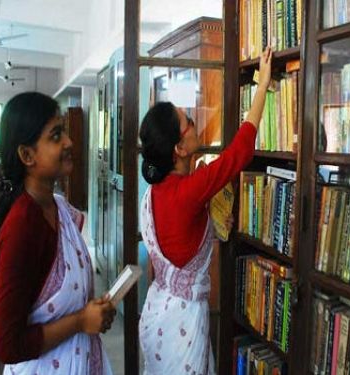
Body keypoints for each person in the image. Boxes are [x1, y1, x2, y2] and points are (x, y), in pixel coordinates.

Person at [139, 47, 272, 374]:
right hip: (182, 321)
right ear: (179, 149)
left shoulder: (157, 192)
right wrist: (263, 86)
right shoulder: (189, 190)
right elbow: (239, 153)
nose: (196, 122)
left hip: (157, 312)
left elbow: (179, 237)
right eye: (189, 122)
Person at [0, 92, 116, 374]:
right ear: (27, 155)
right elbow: (8, 345)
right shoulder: (22, 227)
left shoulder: (58, 206)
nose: (69, 142)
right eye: (56, 135)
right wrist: (79, 321)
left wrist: (93, 312)